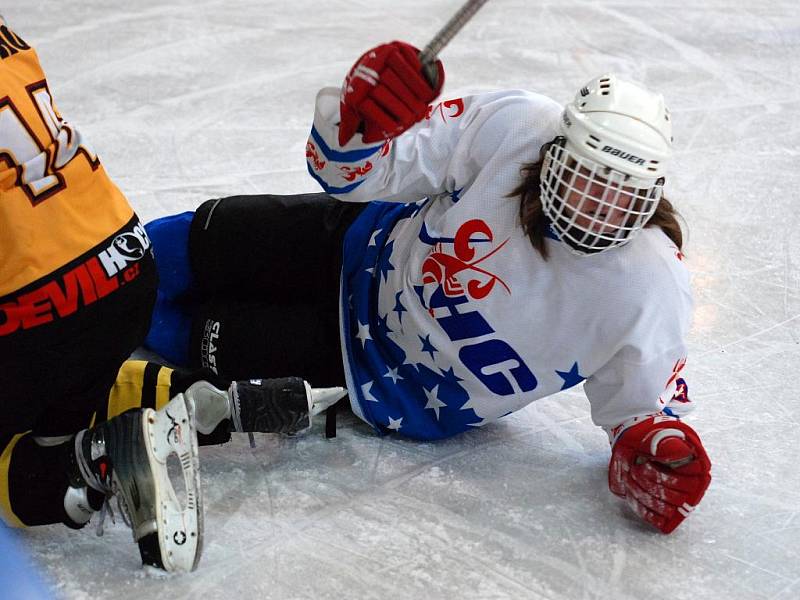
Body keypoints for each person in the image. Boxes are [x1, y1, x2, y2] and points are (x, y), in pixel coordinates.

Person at [144, 40, 712, 534]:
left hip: (367, 376)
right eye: (588, 179)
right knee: (173, 249)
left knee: (179, 330)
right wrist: (358, 126)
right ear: (557, 151)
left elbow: (641, 409)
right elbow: (361, 172)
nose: (599, 210)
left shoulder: (650, 286)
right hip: (350, 243)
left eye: (623, 195)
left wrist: (653, 452)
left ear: (651, 196)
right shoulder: (516, 127)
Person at [0, 16, 342, 574]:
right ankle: (203, 402)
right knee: (59, 375)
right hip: (123, 264)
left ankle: (96, 461)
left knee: (29, 392)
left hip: (40, 309)